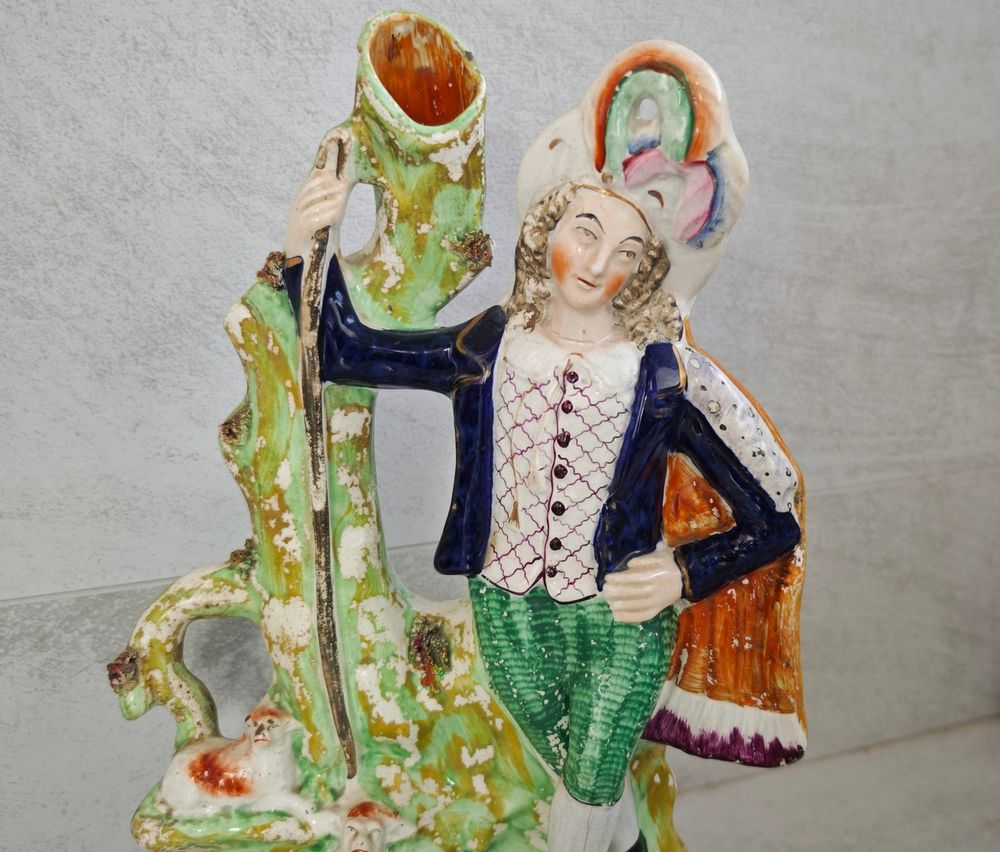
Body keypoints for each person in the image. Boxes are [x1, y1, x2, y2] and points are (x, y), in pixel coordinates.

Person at [283, 171, 800, 852]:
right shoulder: (488, 347)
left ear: (643, 271)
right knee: (580, 780)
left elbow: (775, 515)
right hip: (508, 611)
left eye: (626, 253)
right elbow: (346, 352)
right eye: (586, 233)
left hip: (620, 616)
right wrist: (303, 245)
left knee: (589, 783)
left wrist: (684, 573)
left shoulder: (663, 375)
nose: (598, 263)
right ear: (543, 231)